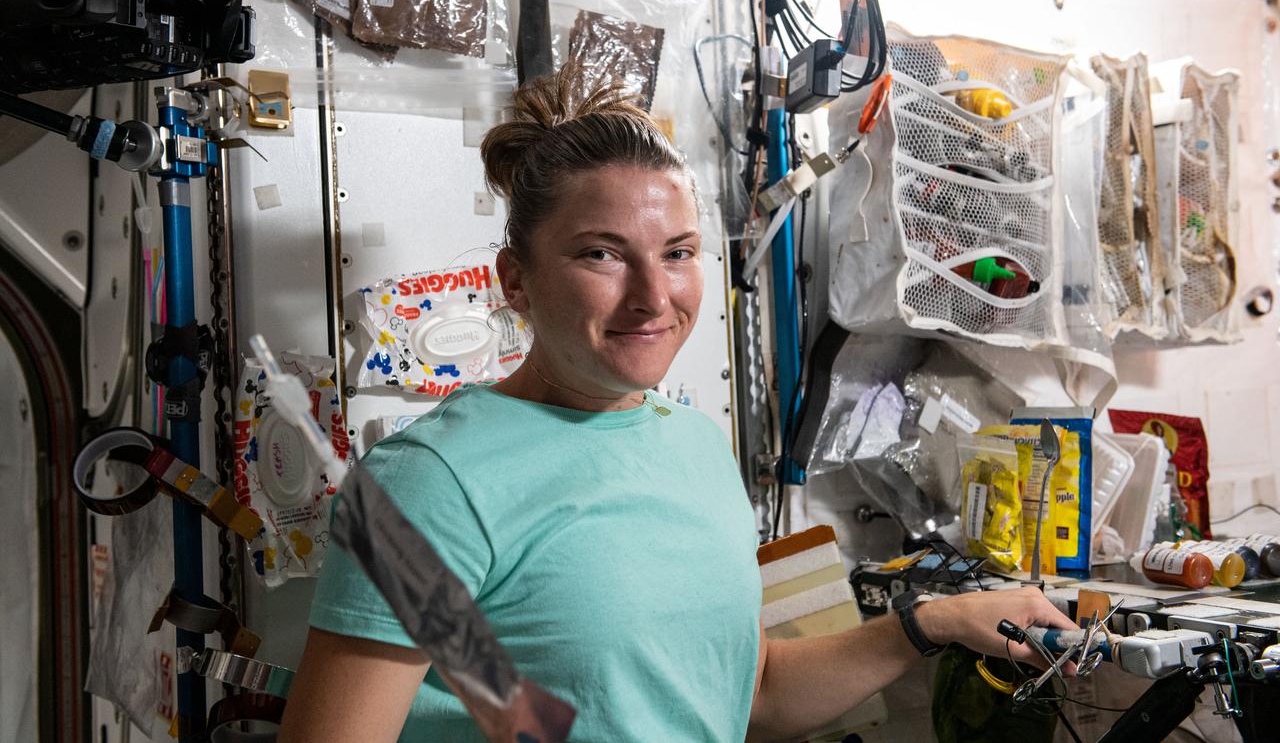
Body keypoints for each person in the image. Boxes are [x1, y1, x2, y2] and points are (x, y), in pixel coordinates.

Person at [279, 63, 1076, 742]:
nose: (654, 296)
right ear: (515, 280)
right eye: (602, 254)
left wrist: (931, 624)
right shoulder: (430, 485)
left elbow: (751, 692)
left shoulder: (696, 446)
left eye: (678, 253)